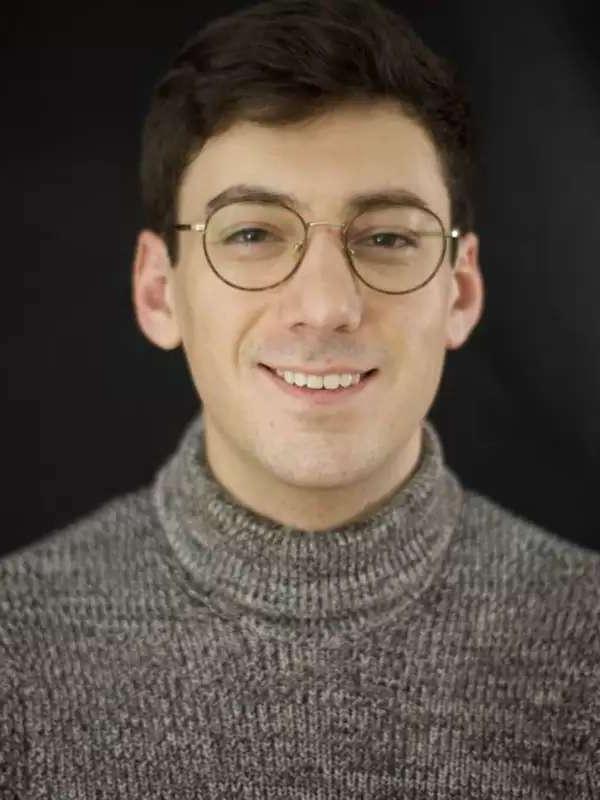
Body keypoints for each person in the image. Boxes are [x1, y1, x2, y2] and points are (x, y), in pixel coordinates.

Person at [2, 0, 598, 796]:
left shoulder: (586, 641)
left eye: (387, 237)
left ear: (459, 292)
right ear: (158, 292)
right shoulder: (16, 645)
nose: (325, 305)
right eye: (251, 233)